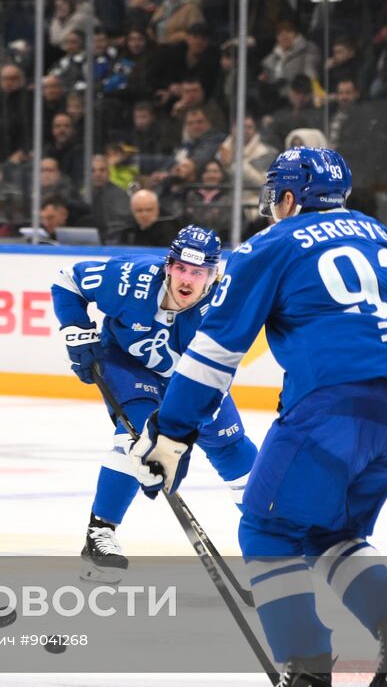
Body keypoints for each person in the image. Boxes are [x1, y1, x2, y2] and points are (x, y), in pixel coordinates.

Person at [131, 148, 387, 687]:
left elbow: (213, 355)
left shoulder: (270, 246)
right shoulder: (384, 237)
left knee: (267, 528)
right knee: (330, 532)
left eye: (277, 193)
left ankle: (306, 685)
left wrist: (171, 435)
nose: (272, 204)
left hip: (340, 409)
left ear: (290, 197)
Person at [52, 226, 255, 583]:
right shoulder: (129, 278)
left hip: (195, 382)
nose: (187, 279)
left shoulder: (226, 310)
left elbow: (215, 377)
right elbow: (67, 280)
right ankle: (100, 533)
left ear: (214, 275)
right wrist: (76, 330)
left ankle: (272, 542)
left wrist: (179, 438)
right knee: (139, 434)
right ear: (168, 265)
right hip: (128, 365)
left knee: (232, 448)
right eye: (181, 268)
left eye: (198, 272)